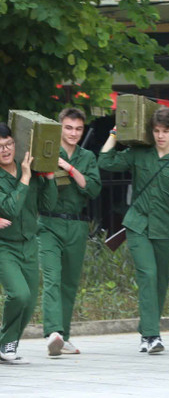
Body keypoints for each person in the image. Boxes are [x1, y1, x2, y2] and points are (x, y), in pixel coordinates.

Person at [98, 107, 169, 355]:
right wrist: (114, 134)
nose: (160, 136)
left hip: (166, 229)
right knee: (148, 274)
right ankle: (152, 335)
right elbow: (105, 161)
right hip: (138, 225)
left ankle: (147, 328)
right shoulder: (139, 154)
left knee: (160, 282)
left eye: (165, 131)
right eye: (156, 131)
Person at [39, 108, 102, 356]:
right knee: (52, 278)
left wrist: (70, 168)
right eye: (68, 127)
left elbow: (93, 188)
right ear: (59, 128)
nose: (73, 133)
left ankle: (63, 337)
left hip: (77, 224)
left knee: (69, 283)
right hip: (48, 223)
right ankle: (53, 332)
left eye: (78, 129)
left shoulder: (87, 156)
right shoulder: (47, 150)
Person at [0, 123, 58, 364]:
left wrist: (50, 178)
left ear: (15, 144)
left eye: (9, 144)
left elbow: (48, 205)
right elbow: (10, 209)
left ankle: (7, 344)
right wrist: (24, 177)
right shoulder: (23, 173)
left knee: (30, 300)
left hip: (29, 244)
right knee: (19, 295)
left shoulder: (29, 168)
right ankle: (6, 343)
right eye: (0, 147)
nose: (5, 150)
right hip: (4, 245)